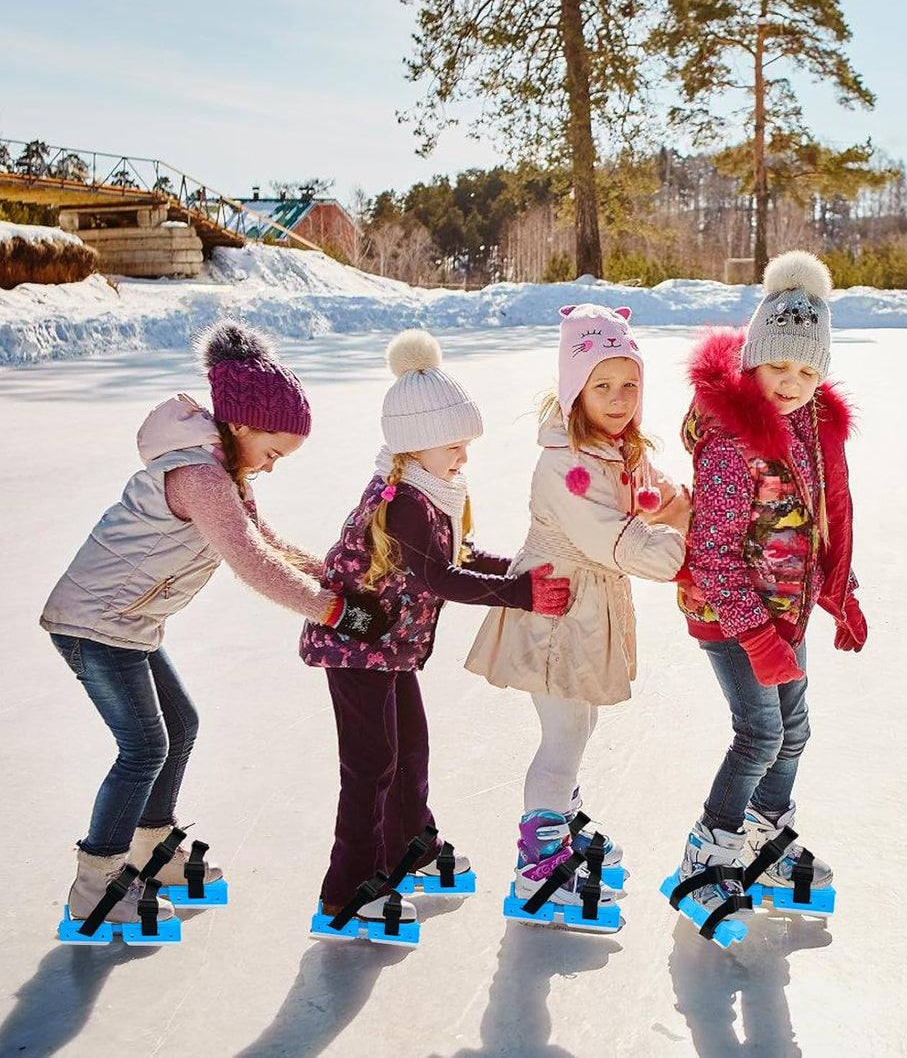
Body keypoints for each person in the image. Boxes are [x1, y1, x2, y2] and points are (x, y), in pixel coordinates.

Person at [42, 320, 383, 932]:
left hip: (128, 622)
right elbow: (250, 562)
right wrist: (338, 612)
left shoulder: (225, 473)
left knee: (181, 724)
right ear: (243, 427)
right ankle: (94, 883)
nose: (273, 467)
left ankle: (152, 847)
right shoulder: (200, 477)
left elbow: (265, 540)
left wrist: (331, 576)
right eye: (273, 452)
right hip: (94, 623)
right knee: (144, 745)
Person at [300, 329, 570, 932]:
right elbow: (440, 579)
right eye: (453, 444)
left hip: (386, 649)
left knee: (409, 748)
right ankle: (346, 892)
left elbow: (461, 556)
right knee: (370, 765)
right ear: (417, 442)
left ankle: (408, 846)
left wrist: (519, 567)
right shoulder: (401, 502)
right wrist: (526, 594)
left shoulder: (431, 493)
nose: (463, 457)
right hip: (356, 648)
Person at [466, 303, 688, 917]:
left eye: (630, 385)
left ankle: (561, 826)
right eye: (602, 386)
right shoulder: (565, 464)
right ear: (575, 391)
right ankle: (538, 871)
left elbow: (659, 497)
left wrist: (685, 510)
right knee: (563, 734)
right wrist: (687, 553)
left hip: (587, 611)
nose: (618, 398)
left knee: (580, 725)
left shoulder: (620, 449)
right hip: (556, 612)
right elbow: (612, 538)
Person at [673, 250, 866, 920]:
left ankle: (764, 837)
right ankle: (710, 851)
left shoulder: (807, 428)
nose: (790, 381)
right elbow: (712, 554)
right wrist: (755, 636)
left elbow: (811, 518)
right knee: (759, 732)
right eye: (779, 364)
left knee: (795, 728)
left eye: (807, 369)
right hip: (731, 615)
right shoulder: (731, 442)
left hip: (786, 609)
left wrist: (841, 590)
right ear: (754, 357)